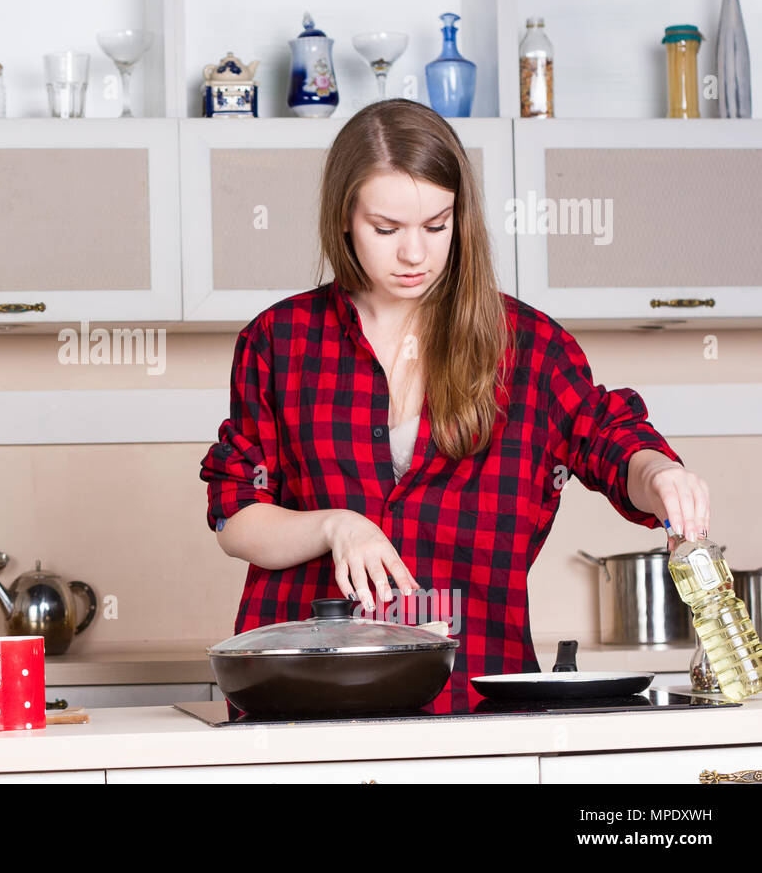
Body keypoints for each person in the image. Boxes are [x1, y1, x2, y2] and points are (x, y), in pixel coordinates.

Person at [198, 98, 709, 702]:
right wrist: (336, 526)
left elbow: (608, 439)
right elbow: (236, 514)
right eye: (386, 230)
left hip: (473, 693)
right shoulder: (280, 341)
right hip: (306, 695)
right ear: (344, 218)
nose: (414, 254)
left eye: (436, 226)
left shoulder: (527, 346)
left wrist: (661, 473)